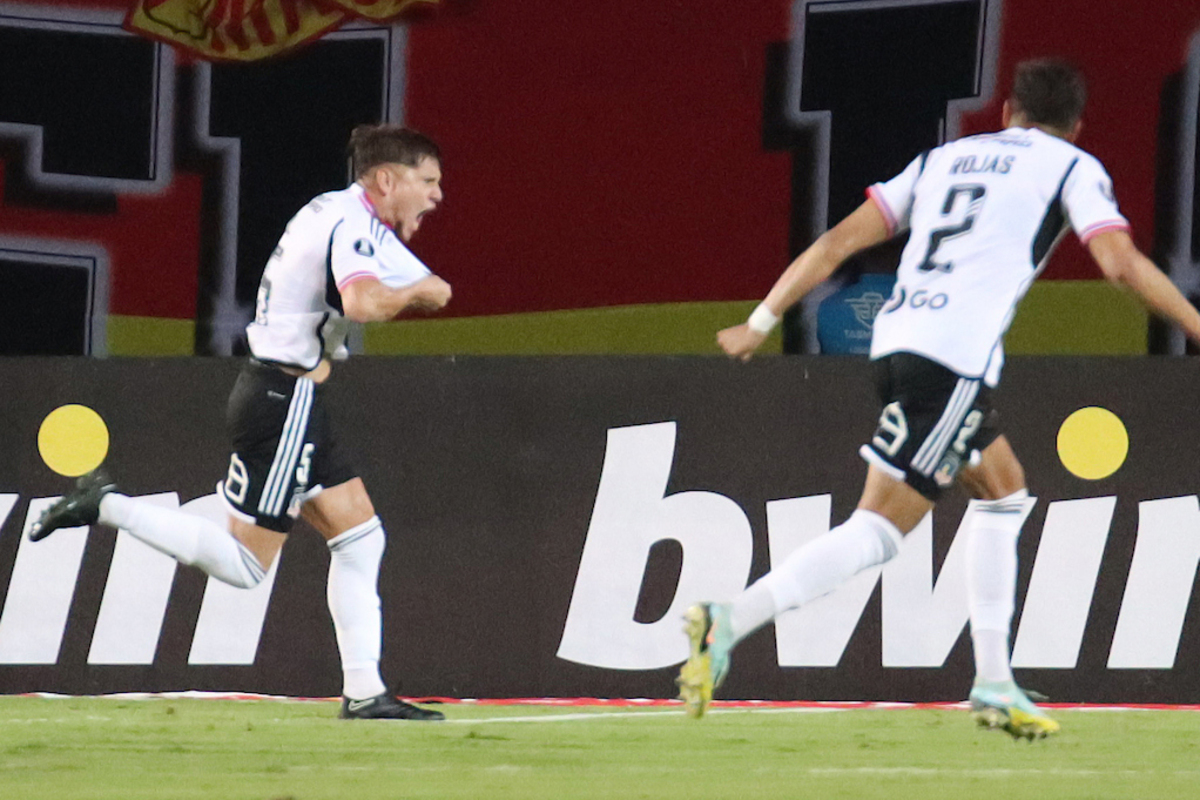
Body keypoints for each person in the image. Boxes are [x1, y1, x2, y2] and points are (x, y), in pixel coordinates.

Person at [678, 59, 1200, 739]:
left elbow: (839, 241)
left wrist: (761, 319)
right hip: (953, 360)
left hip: (899, 342)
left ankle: (992, 682)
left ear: (1008, 108)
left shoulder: (942, 160)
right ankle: (731, 619)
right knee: (878, 531)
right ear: (1076, 125)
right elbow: (1120, 263)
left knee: (1003, 490)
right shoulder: (1072, 168)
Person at [29, 124, 454, 721]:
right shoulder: (353, 223)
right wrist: (423, 290)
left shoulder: (336, 210)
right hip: (284, 400)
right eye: (427, 181)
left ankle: (366, 692)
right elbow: (361, 302)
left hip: (287, 398)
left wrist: (423, 283)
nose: (436, 195)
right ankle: (107, 505)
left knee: (360, 538)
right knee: (245, 565)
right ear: (387, 179)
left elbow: (382, 276)